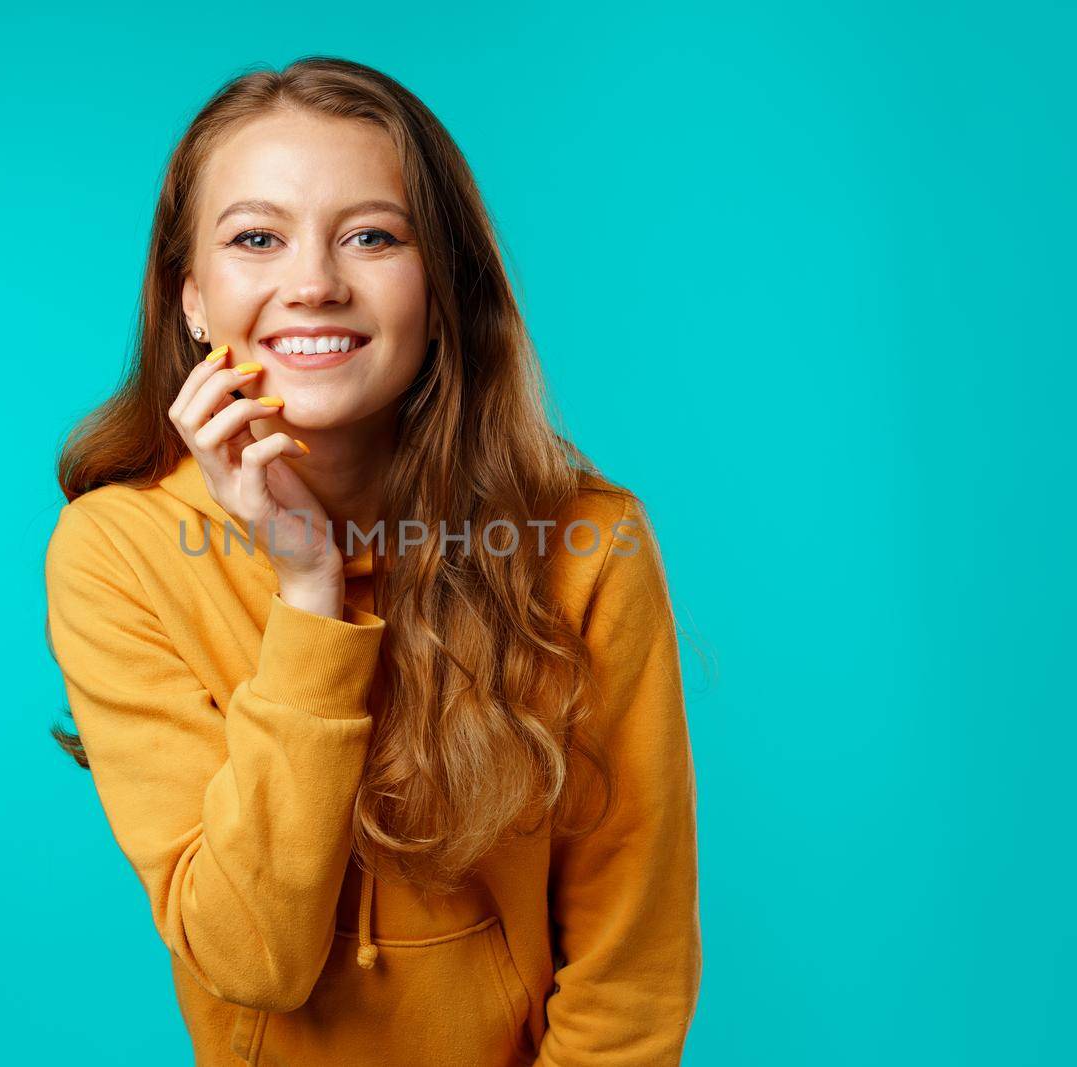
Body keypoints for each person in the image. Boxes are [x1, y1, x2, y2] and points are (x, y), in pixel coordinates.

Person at [43, 55, 700, 1066]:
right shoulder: (116, 552)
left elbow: (633, 962)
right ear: (190, 300)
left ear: (440, 287)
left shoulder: (586, 542)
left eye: (371, 236)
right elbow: (250, 956)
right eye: (256, 238)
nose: (312, 283)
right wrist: (310, 594)